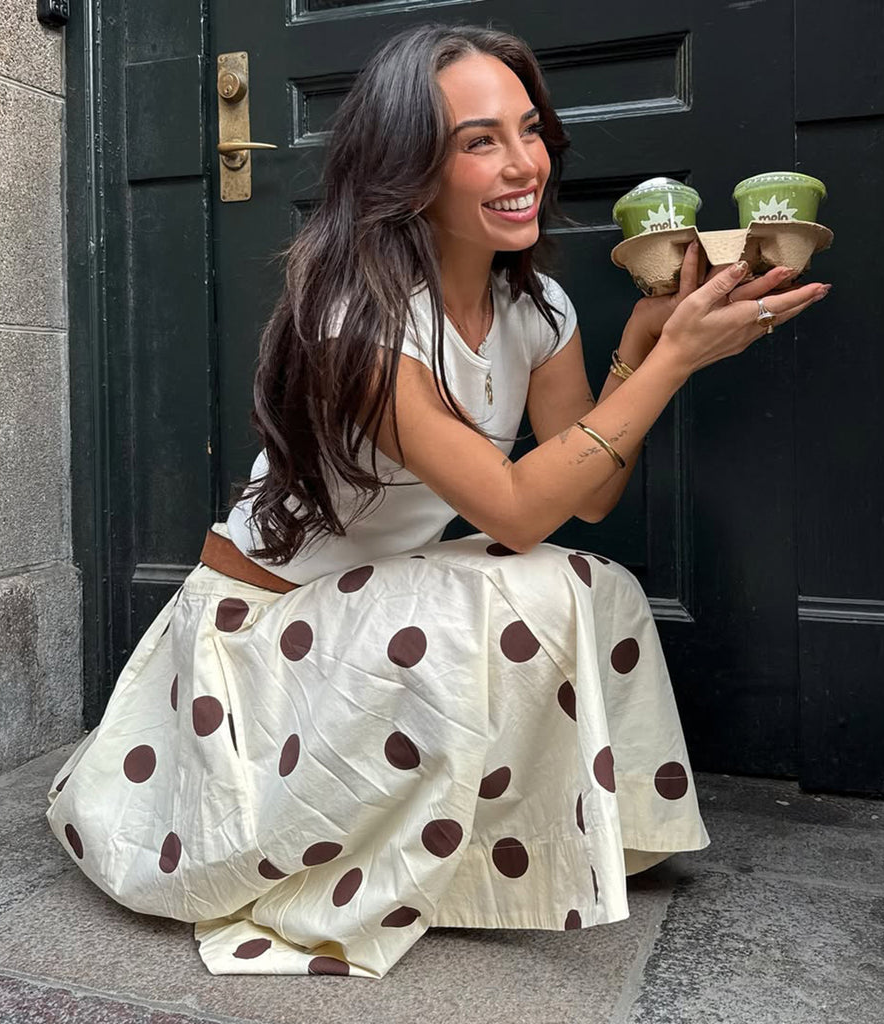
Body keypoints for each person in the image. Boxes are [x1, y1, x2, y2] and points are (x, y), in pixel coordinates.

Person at [44, 22, 830, 980]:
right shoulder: (356, 321)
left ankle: (565, 845)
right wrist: (674, 363)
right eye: (479, 141)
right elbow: (511, 509)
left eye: (530, 130)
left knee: (601, 586)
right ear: (408, 168)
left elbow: (588, 495)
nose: (523, 165)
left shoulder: (539, 314)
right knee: (522, 595)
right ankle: (364, 851)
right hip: (259, 637)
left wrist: (639, 344)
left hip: (369, 601)